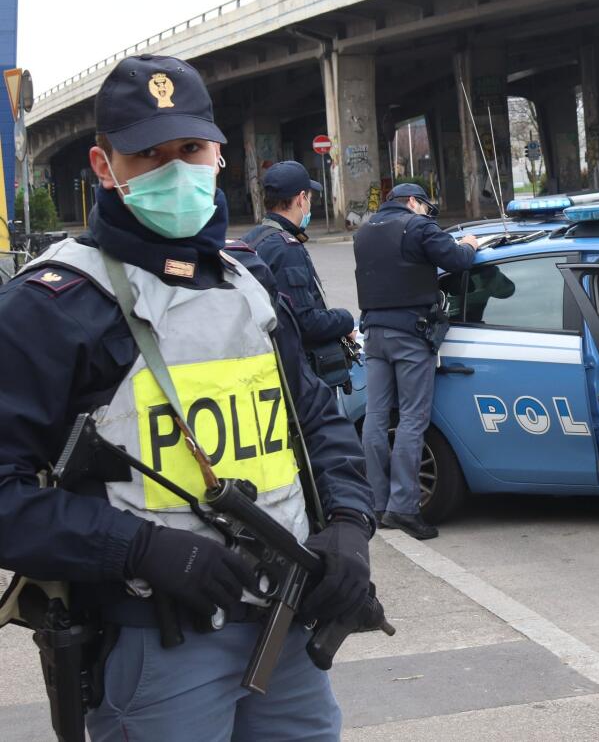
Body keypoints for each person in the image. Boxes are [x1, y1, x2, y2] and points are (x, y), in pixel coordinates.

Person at [0, 54, 375, 741]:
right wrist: (135, 550)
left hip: (286, 628)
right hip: (157, 642)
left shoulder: (249, 280)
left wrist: (351, 524)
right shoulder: (49, 307)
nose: (177, 168)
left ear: (220, 155)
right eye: (150, 153)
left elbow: (314, 417)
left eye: (192, 148)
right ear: (104, 165)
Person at [353, 182, 479, 539]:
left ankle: (378, 504)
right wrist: (468, 245)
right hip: (409, 334)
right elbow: (456, 260)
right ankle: (404, 509)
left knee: (376, 418)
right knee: (412, 419)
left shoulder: (364, 233)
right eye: (425, 206)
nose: (427, 212)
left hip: (373, 334)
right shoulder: (416, 225)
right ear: (412, 202)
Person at [243, 161, 356, 387]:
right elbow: (304, 322)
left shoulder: (251, 240)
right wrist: (345, 320)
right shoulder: (286, 248)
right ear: (301, 199)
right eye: (310, 199)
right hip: (298, 376)